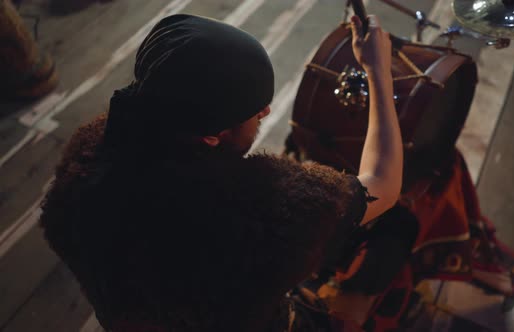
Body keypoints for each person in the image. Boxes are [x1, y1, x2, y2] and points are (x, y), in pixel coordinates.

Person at [40, 13, 403, 331]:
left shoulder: (85, 159)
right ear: (212, 137)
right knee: (396, 229)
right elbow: (383, 184)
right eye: (254, 108)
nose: (265, 112)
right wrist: (378, 72)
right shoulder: (260, 209)